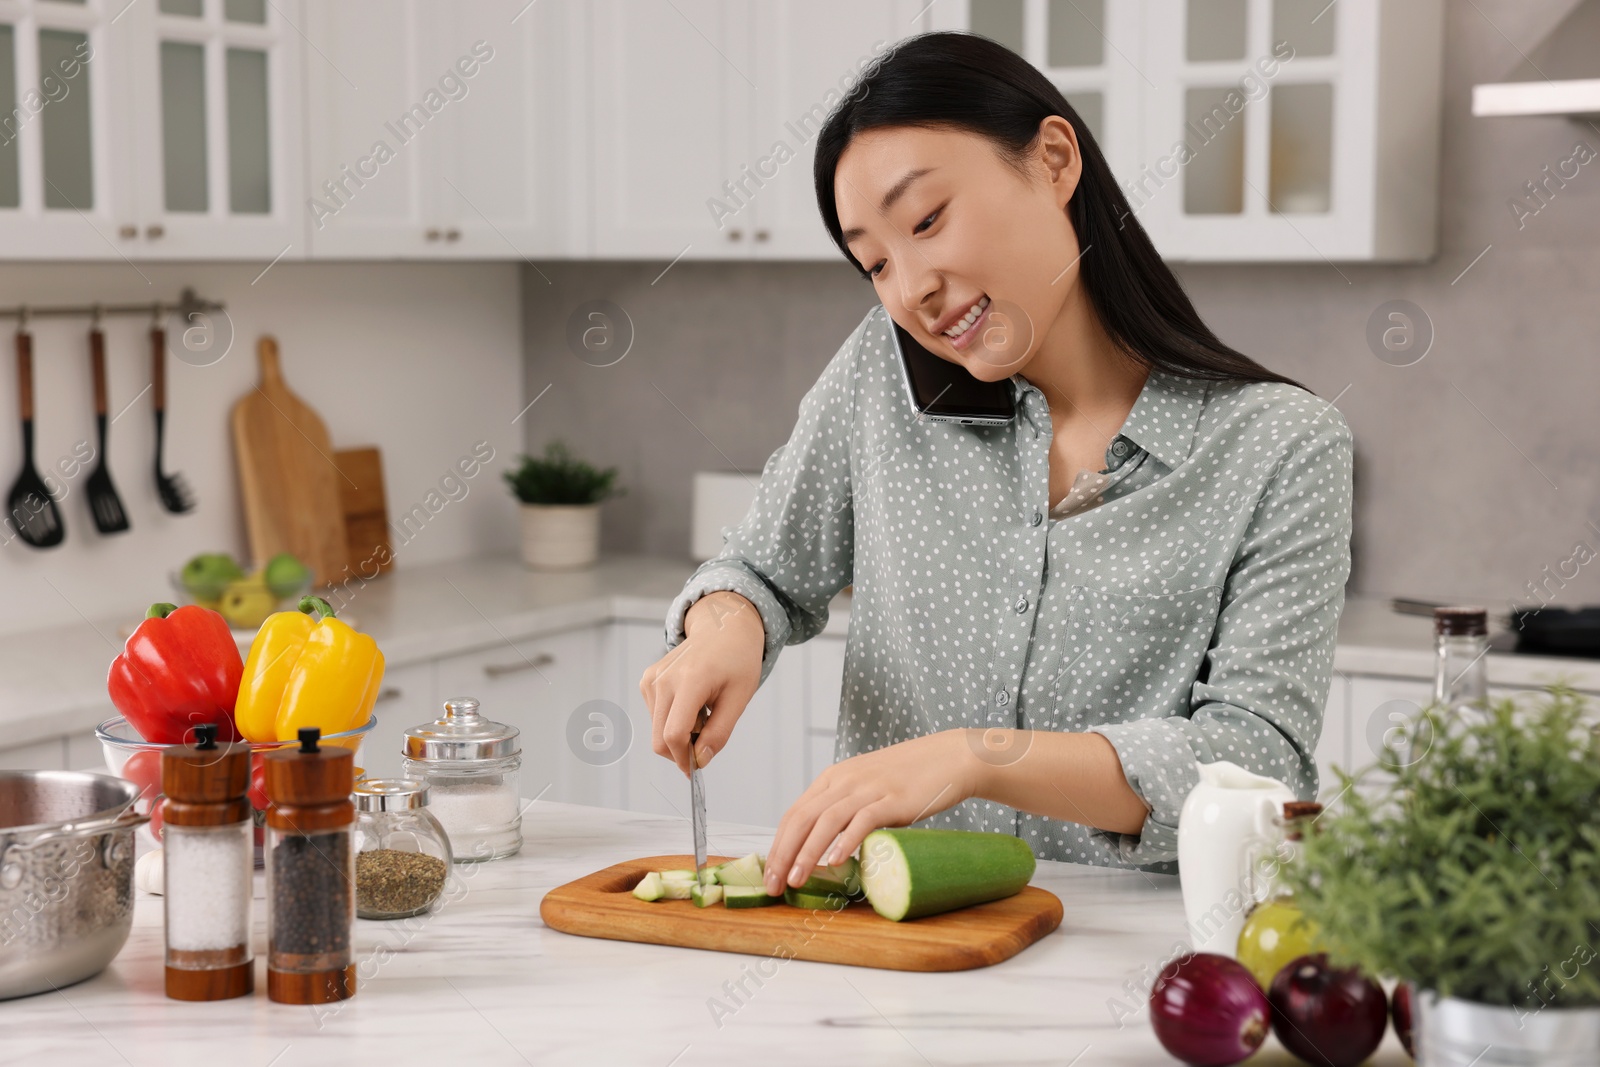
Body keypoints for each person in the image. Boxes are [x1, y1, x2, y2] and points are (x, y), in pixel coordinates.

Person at [638, 32, 1352, 897]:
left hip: (1143, 950)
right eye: (875, 262)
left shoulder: (1281, 445)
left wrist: (978, 758)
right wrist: (726, 629)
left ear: (1054, 160)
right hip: (889, 945)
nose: (911, 290)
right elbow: (761, 570)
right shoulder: (880, 376)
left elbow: (1256, 764)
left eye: (928, 220)